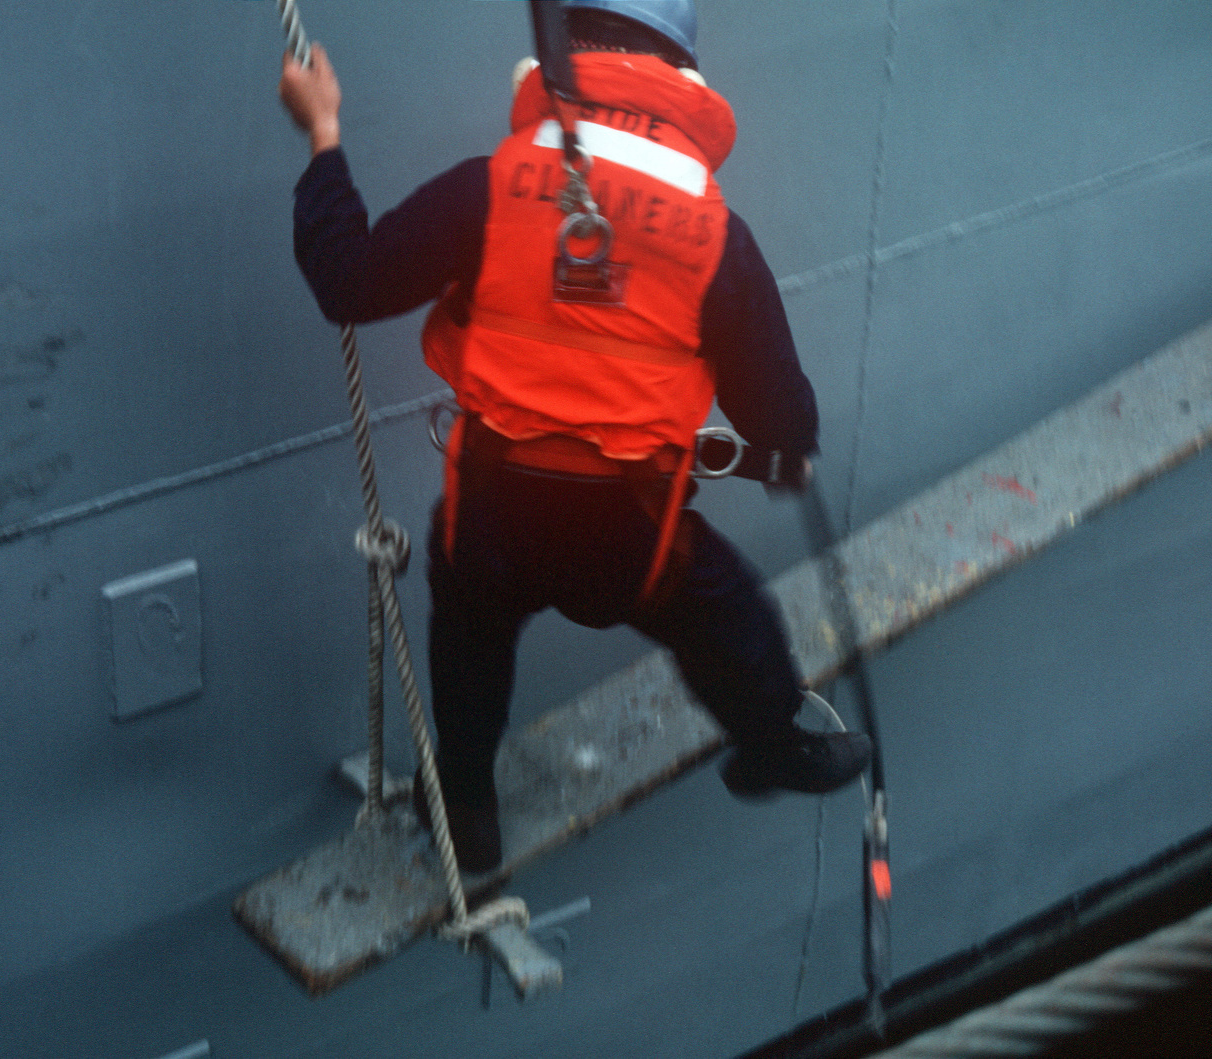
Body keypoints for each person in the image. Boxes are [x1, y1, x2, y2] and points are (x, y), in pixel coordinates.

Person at [279, 0, 871, 874]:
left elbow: (350, 280)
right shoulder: (713, 231)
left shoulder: (493, 183)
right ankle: (773, 742)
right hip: (635, 532)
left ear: (558, 51)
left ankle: (470, 807)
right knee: (730, 613)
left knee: (469, 646)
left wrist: (324, 132)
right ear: (679, 70)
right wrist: (789, 453)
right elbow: (776, 410)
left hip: (491, 515)